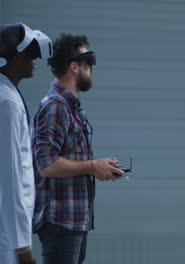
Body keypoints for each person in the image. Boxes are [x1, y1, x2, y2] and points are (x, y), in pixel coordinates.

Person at [31, 33, 124, 264]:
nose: (92, 67)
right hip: (61, 222)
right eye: (87, 61)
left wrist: (98, 168)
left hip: (73, 220)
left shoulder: (69, 107)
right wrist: (93, 166)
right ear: (74, 66)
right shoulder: (55, 106)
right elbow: (47, 164)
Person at [0, 22, 52, 264]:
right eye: (30, 53)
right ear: (16, 57)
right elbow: (9, 179)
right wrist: (22, 248)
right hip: (7, 237)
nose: (35, 59)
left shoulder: (7, 95)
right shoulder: (6, 103)